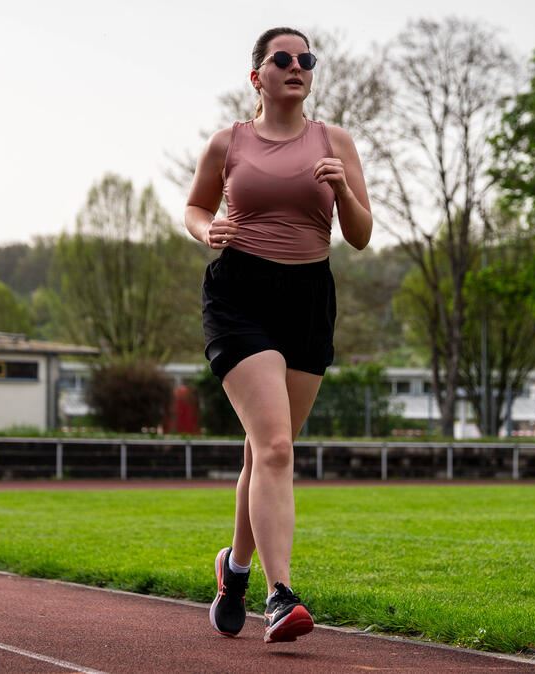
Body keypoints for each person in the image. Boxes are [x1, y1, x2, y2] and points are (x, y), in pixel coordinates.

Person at [184, 26, 372, 644]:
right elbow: (194, 207)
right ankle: (280, 594)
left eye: (305, 59)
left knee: (263, 450)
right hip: (240, 294)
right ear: (257, 75)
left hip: (309, 298)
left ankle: (233, 570)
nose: (296, 66)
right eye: (282, 59)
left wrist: (342, 185)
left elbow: (362, 234)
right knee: (276, 449)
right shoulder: (228, 142)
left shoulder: (334, 140)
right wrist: (205, 228)